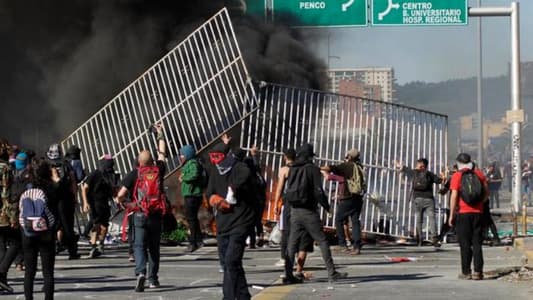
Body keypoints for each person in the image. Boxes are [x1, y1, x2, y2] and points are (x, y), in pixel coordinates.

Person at [283, 144, 347, 284]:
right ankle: (332, 272)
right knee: (322, 240)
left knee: (292, 243)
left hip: (294, 210)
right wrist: (327, 206)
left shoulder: (292, 168)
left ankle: (288, 275)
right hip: (308, 211)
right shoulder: (312, 169)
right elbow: (318, 191)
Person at [117, 123, 167, 292]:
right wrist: (160, 133)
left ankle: (140, 272)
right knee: (154, 247)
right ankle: (153, 279)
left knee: (139, 245)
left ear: (138, 162)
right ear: (151, 161)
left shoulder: (134, 174)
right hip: (156, 213)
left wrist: (125, 203)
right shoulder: (159, 169)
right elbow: (162, 153)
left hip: (139, 214)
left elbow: (121, 195)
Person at [206, 134, 255, 300]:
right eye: (213, 157)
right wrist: (216, 201)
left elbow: (246, 174)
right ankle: (243, 296)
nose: (215, 161)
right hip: (223, 223)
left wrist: (233, 189)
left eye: (218, 157)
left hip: (240, 221)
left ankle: (228, 297)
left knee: (231, 261)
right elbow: (210, 193)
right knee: (231, 264)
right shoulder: (215, 170)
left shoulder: (238, 167)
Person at [21, 159, 60, 300]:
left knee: (29, 272)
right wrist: (56, 180)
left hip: (28, 231)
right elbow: (57, 208)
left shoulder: (26, 187)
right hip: (46, 232)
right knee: (48, 272)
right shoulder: (51, 188)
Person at [273, 148, 313, 279]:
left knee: (286, 231)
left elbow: (279, 187)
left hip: (288, 202)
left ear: (285, 157)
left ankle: (284, 258)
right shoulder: (303, 168)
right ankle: (297, 261)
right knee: (300, 231)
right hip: (302, 203)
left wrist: (276, 203)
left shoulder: (284, 170)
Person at [448, 153, 488, 280]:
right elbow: (487, 193)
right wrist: (479, 204)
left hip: (463, 214)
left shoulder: (457, 176)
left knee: (465, 243)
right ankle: (478, 272)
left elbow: (454, 196)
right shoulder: (479, 174)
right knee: (477, 243)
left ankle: (466, 272)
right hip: (478, 213)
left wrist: (451, 214)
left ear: (459, 163)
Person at [321, 149, 365, 255]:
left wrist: (320, 168)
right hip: (358, 197)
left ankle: (342, 244)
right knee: (355, 221)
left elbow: (332, 168)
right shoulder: (359, 167)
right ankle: (356, 246)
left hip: (348, 197)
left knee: (339, 220)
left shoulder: (348, 166)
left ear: (349, 157)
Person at [397, 158, 443, 247]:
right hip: (429, 199)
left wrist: (400, 166)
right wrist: (442, 176)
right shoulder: (430, 174)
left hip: (417, 199)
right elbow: (439, 181)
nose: (416, 166)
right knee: (432, 219)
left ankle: (419, 239)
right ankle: (434, 239)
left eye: (417, 164)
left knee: (419, 219)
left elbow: (404, 169)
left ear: (421, 165)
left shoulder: (414, 172)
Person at [46, 144, 80, 259]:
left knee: (51, 224)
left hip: (51, 198)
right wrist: (75, 196)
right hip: (66, 198)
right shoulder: (66, 164)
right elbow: (74, 181)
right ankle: (72, 251)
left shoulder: (46, 165)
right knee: (68, 225)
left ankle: (51, 249)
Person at [81, 155, 117, 258]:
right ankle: (93, 246)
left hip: (104, 202)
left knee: (104, 225)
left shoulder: (110, 174)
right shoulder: (95, 174)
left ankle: (100, 244)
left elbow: (113, 189)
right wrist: (85, 202)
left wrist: (116, 198)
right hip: (95, 202)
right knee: (96, 224)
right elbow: (85, 188)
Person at [179, 145, 204, 253]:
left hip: (192, 195)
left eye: (182, 154)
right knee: (192, 218)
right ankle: (198, 240)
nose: (181, 157)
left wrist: (183, 177)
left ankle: (193, 242)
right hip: (190, 194)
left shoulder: (193, 163)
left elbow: (194, 174)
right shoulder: (189, 163)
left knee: (191, 219)